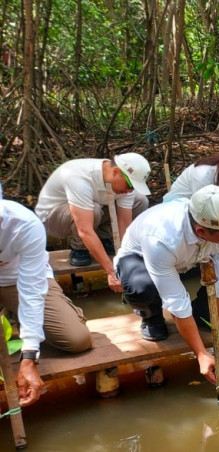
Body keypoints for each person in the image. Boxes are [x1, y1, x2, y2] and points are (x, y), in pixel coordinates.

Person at [115, 185, 219, 384]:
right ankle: (151, 317)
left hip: (191, 257)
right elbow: (176, 301)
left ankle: (202, 310)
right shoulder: (161, 238)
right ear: (201, 230)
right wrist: (200, 353)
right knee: (142, 287)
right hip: (141, 261)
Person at [0, 200, 92, 406]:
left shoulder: (23, 224)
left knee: (77, 340)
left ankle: (27, 318)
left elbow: (31, 290)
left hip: (17, 281)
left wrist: (29, 357)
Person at [35, 153, 151, 292]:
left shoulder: (123, 181)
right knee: (94, 209)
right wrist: (111, 271)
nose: (130, 190)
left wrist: (125, 258)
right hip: (53, 219)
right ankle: (79, 248)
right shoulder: (78, 177)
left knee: (140, 200)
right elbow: (85, 230)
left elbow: (124, 224)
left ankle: (104, 239)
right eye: (130, 184)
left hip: (91, 212)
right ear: (116, 172)